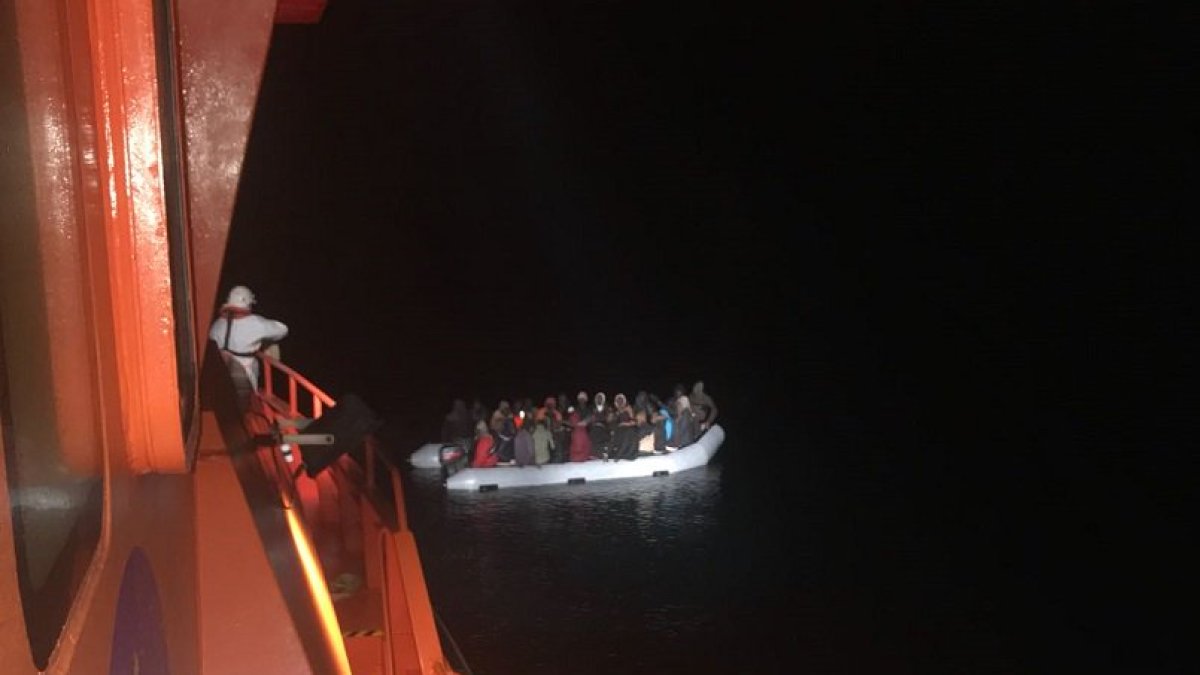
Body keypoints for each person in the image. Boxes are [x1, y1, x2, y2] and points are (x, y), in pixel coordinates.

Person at [208, 285, 288, 387]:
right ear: (248, 304)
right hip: (245, 377)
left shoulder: (217, 324)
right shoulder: (255, 323)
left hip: (219, 375)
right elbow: (283, 330)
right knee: (271, 344)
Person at [610, 393, 639, 460]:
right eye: (618, 400)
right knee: (621, 433)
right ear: (616, 402)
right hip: (619, 430)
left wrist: (625, 423)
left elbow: (634, 421)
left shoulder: (628, 408)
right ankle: (619, 453)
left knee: (631, 432)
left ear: (624, 401)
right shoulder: (614, 411)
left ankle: (626, 454)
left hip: (629, 427)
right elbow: (613, 423)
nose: (620, 401)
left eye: (621, 400)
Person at [568, 391, 592, 462]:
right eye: (580, 399)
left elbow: (591, 418)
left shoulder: (589, 409)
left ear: (586, 400)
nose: (582, 400)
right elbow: (571, 419)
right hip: (576, 430)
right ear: (578, 400)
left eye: (583, 399)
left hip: (587, 430)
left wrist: (585, 422)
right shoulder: (574, 408)